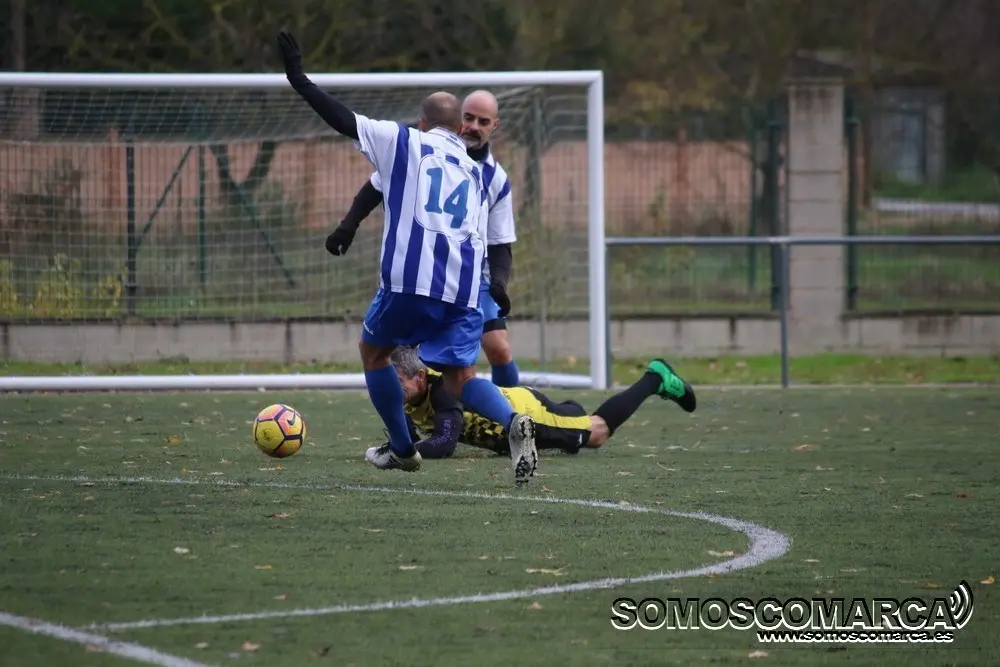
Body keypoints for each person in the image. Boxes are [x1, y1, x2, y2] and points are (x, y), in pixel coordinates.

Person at [277, 31, 538, 486]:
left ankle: (401, 449)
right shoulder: (478, 173)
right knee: (461, 377)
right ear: (459, 126)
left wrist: (299, 78)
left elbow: (342, 118)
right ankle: (513, 419)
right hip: (464, 290)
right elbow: (486, 239)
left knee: (374, 352)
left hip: (410, 281)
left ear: (422, 122)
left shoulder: (404, 142)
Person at [327, 90, 520, 388]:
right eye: (468, 118)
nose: (473, 126)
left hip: (471, 278)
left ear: (495, 125)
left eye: (483, 121)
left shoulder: (496, 178)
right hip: (428, 270)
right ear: (457, 120)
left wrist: (499, 284)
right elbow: (374, 188)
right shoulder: (422, 150)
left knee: (497, 348)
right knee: (426, 364)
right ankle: (444, 411)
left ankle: (512, 407)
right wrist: (347, 227)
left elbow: (500, 241)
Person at [388, 346, 697, 459]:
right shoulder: (409, 396)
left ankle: (654, 378)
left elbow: (444, 443)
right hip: (513, 427)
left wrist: (401, 454)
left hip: (530, 414)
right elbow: (410, 436)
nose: (394, 389)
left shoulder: (442, 390)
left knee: (597, 433)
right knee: (575, 419)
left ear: (420, 377)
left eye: (398, 381)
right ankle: (570, 410)